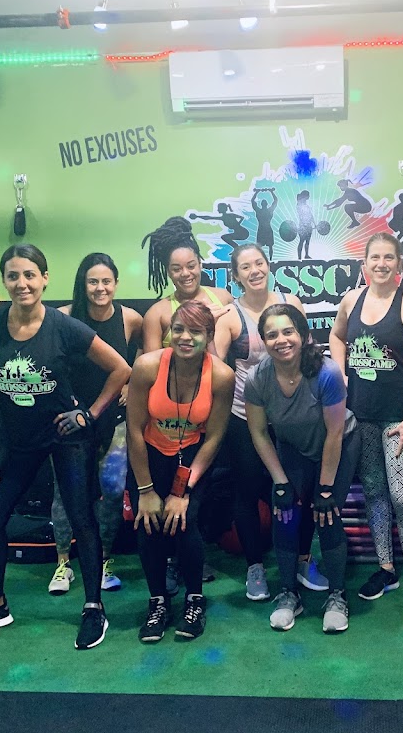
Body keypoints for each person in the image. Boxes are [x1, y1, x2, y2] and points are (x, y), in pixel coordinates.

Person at [0, 244, 131, 650]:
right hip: (20, 443)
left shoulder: (63, 326)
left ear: (45, 279)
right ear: (4, 280)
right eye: (13, 275)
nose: (22, 283)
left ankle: (93, 608)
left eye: (30, 275)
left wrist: (89, 414)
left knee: (82, 518)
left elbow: (121, 369)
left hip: (67, 438)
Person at [329, 232, 403, 625]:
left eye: (389, 258)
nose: (381, 264)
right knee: (374, 491)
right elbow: (336, 336)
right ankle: (387, 568)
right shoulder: (351, 301)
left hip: (399, 419)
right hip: (361, 416)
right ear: (364, 265)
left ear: (399, 265)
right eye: (375, 257)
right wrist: (340, 373)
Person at [213, 244, 325, 601]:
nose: (255, 271)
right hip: (244, 417)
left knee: (301, 491)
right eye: (246, 267)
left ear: (269, 266)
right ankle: (255, 567)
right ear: (236, 275)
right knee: (247, 491)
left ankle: (303, 560)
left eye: (259, 263)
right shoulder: (230, 317)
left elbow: (311, 354)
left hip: (292, 418)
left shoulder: (292, 303)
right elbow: (214, 368)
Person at [245, 304, 358, 633]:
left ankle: (337, 596)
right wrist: (280, 483)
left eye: (288, 331)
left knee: (327, 514)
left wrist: (325, 488)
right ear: (264, 341)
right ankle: (288, 594)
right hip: (292, 448)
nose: (281, 340)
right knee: (285, 514)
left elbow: (334, 432)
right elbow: (259, 432)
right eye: (272, 334)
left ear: (304, 335)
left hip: (338, 444)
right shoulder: (257, 378)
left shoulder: (327, 372)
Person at [126, 301, 235, 643]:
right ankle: (158, 602)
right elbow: (133, 430)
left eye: (196, 331)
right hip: (149, 455)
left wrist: (182, 492)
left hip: (192, 458)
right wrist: (145, 491)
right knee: (148, 525)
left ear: (209, 336)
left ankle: (194, 600)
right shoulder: (146, 367)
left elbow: (214, 437)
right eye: (179, 329)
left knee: (184, 523)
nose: (186, 337)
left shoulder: (221, 376)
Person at [48, 253, 142, 596]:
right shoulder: (62, 317)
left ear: (116, 283)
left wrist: (130, 385)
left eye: (106, 281)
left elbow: (141, 358)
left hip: (113, 421)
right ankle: (63, 563)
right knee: (66, 492)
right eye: (93, 281)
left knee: (113, 490)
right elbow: (51, 364)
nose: (100, 288)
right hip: (70, 422)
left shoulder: (130, 319)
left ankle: (103, 560)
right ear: (82, 284)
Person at [141, 215, 233, 353]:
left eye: (191, 266)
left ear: (200, 264)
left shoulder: (224, 298)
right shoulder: (157, 314)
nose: (185, 273)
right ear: (168, 272)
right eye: (177, 269)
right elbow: (150, 363)